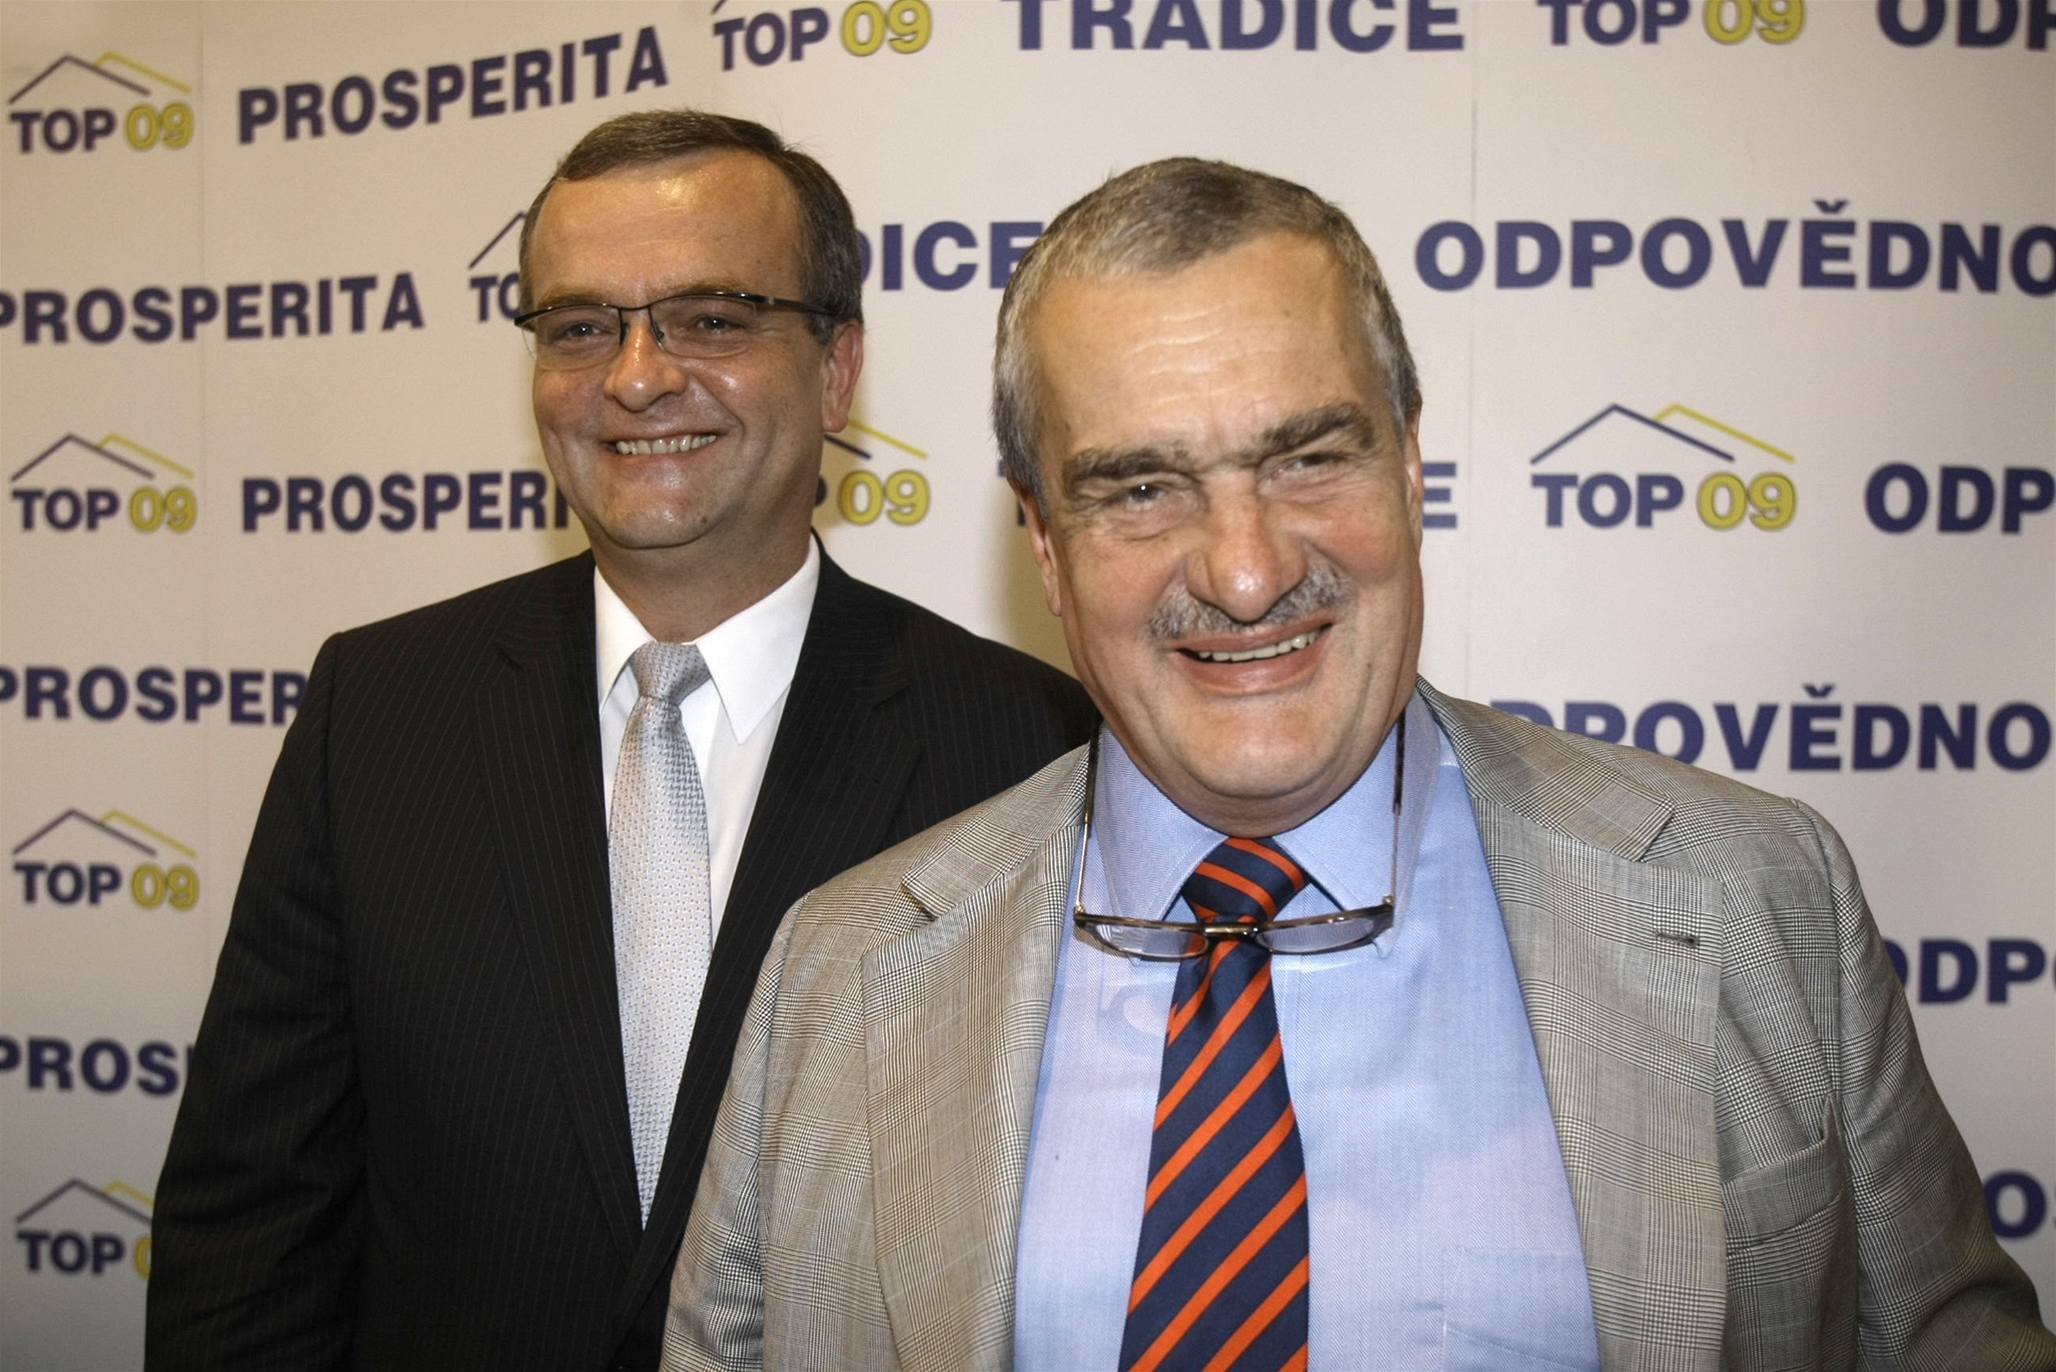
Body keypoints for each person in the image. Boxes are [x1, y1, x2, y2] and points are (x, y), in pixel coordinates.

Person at [664, 157, 2056, 1371]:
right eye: (1140, 487)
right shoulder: (840, 970)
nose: (1248, 570)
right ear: (1042, 538)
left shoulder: (1755, 895)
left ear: (1409, 464)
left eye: (1309, 457)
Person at [146, 109, 1094, 1372]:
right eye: (580, 325)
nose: (637, 376)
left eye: (711, 318)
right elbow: (250, 1229)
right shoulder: (376, 712)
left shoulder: (1029, 745)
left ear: (836, 368)